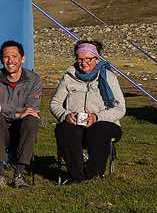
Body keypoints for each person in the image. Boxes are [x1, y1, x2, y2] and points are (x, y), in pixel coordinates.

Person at [51, 40, 126, 183]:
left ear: (97, 59)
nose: (84, 63)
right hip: (76, 123)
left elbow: (120, 108)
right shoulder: (68, 77)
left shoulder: (109, 77)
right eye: (80, 59)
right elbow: (55, 103)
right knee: (65, 130)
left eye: (88, 59)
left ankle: (93, 173)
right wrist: (65, 115)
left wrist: (97, 117)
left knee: (99, 129)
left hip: (105, 123)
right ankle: (77, 176)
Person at [0, 40, 42, 188]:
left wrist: (2, 108)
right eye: (6, 57)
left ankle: (19, 175)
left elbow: (32, 108)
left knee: (31, 120)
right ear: (1, 59)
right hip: (0, 129)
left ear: (23, 58)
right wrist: (17, 113)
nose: (10, 61)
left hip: (22, 128)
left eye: (14, 56)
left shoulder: (34, 79)